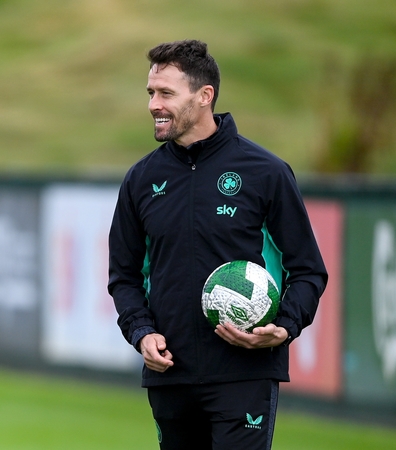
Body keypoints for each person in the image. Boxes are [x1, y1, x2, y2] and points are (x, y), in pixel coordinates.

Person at [107, 40, 327, 450]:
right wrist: (142, 333)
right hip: (171, 373)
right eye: (151, 93)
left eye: (166, 93)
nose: (154, 104)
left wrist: (284, 327)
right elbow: (123, 276)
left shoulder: (266, 172)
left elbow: (309, 270)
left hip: (245, 372)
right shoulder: (140, 180)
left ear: (204, 95)